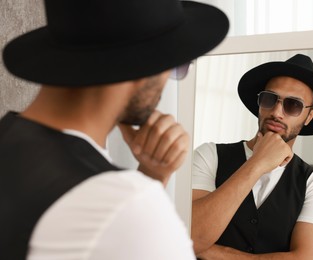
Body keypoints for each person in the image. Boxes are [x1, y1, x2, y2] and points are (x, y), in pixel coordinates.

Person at [0, 0, 229, 259]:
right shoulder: (123, 206)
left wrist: (152, 175)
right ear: (143, 65)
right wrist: (142, 193)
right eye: (177, 65)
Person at [191, 54, 313, 259]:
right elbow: (190, 236)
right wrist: (257, 164)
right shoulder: (209, 155)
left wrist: (216, 253)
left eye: (293, 105)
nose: (277, 112)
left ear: (310, 116)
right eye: (270, 99)